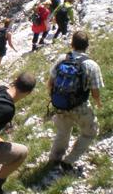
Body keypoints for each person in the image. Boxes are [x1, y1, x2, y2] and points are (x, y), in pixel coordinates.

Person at [47, 32, 104, 173]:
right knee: (90, 132)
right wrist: (98, 103)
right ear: (87, 46)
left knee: (63, 132)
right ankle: (69, 160)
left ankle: (55, 159)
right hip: (80, 107)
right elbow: (95, 91)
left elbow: (50, 82)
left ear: (72, 44)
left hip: (60, 104)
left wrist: (53, 98)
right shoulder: (92, 65)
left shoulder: (62, 59)